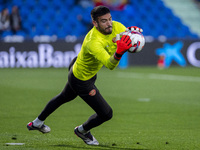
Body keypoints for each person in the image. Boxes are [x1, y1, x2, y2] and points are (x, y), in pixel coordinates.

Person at [27, 5, 142, 145]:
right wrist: (120, 52)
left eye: (110, 19)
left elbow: (127, 39)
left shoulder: (117, 26)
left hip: (77, 65)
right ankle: (82, 131)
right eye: (104, 21)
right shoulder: (93, 42)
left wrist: (132, 35)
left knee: (64, 97)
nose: (109, 23)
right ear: (95, 23)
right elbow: (110, 65)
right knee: (106, 114)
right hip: (81, 79)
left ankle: (37, 123)